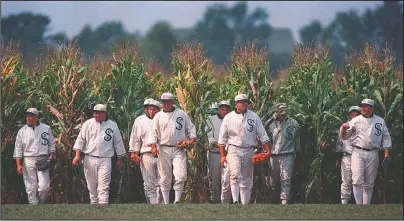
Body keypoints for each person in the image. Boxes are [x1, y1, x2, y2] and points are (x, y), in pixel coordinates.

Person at [218, 94, 271, 205]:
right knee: (235, 174)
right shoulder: (229, 117)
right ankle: (236, 200)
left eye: (246, 102)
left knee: (247, 177)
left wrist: (268, 151)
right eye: (242, 102)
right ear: (236, 104)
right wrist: (222, 156)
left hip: (249, 149)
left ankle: (245, 203)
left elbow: (262, 134)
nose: (245, 104)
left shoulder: (253, 116)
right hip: (233, 148)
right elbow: (222, 139)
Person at [72, 104, 126, 204]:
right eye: (95, 112)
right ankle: (95, 208)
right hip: (90, 158)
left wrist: (120, 159)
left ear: (104, 113)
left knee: (104, 186)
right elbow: (80, 140)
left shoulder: (112, 125)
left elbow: (118, 142)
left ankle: (103, 208)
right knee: (92, 187)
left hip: (105, 159)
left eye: (99, 113)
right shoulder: (88, 124)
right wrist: (77, 155)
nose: (96, 115)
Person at [148, 92, 197, 204]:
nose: (165, 104)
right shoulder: (158, 116)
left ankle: (177, 201)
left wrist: (190, 140)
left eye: (167, 102)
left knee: (180, 175)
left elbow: (191, 129)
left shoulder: (181, 114)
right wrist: (153, 146)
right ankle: (166, 202)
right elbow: (153, 133)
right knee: (164, 177)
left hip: (179, 148)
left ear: (172, 102)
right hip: (163, 148)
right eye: (163, 102)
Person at [340, 99, 392, 205]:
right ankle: (359, 206)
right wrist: (344, 129)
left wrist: (387, 154)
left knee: (369, 182)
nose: (363, 108)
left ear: (372, 108)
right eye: (362, 106)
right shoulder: (355, 120)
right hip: (358, 151)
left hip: (373, 152)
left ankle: (366, 206)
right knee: (357, 179)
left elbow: (386, 137)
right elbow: (344, 137)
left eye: (366, 106)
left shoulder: (380, 121)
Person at [13, 107, 56, 205]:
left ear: (36, 117)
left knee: (44, 187)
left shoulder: (46, 128)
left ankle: (41, 204)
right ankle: (33, 207)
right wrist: (19, 165)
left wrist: (51, 156)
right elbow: (18, 149)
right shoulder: (22, 131)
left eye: (30, 116)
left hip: (43, 158)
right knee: (31, 187)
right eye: (27, 116)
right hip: (28, 159)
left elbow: (52, 143)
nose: (28, 118)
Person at [265, 103, 299, 205]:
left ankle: (284, 202)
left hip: (288, 154)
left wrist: (298, 155)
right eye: (280, 112)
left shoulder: (294, 123)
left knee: (286, 179)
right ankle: (274, 201)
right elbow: (263, 138)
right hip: (273, 155)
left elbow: (297, 141)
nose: (282, 114)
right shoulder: (269, 123)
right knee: (273, 181)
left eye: (284, 112)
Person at [129, 99, 162, 204]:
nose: (151, 111)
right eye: (149, 109)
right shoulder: (140, 120)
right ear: (146, 110)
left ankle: (162, 205)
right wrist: (134, 153)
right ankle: (153, 204)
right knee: (149, 182)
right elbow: (135, 138)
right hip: (146, 153)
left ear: (158, 109)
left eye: (154, 109)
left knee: (162, 181)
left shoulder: (163, 118)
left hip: (162, 153)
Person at [204, 100, 231, 204]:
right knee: (215, 178)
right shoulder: (210, 120)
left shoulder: (232, 120)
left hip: (229, 153)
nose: (224, 111)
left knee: (228, 178)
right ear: (218, 109)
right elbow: (210, 138)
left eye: (226, 109)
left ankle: (227, 200)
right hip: (215, 153)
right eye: (222, 109)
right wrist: (222, 147)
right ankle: (215, 200)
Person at [335, 106, 361, 204]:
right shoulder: (344, 126)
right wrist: (337, 159)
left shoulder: (363, 126)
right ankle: (344, 202)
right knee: (346, 180)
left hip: (359, 155)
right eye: (352, 113)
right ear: (349, 115)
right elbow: (339, 143)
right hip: (347, 155)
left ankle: (359, 203)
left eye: (356, 113)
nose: (354, 115)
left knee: (358, 180)